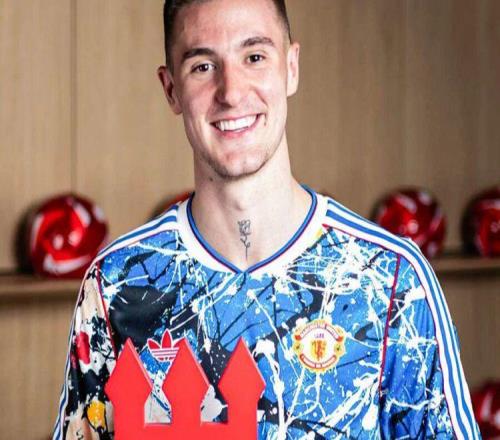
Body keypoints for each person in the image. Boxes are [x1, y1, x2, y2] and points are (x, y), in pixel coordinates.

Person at [53, 0, 481, 438]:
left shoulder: (392, 281)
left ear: (291, 68)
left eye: (254, 57)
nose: (231, 92)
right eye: (203, 66)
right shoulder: (116, 282)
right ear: (171, 89)